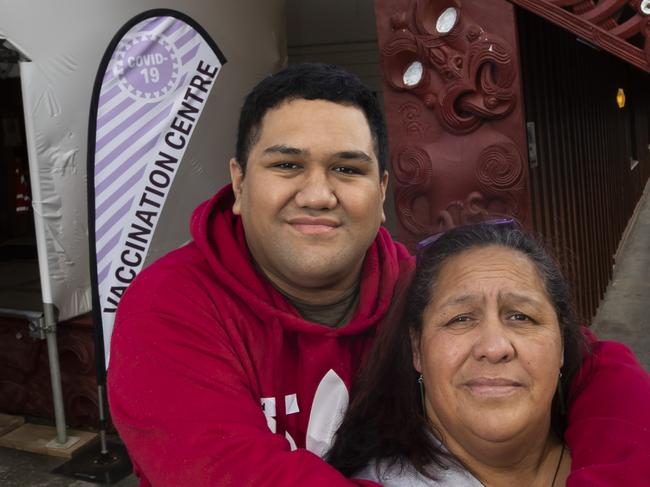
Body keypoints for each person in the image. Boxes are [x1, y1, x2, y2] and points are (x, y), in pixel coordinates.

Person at [107, 63, 650, 487]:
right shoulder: (169, 309)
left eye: (348, 168)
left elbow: (592, 368)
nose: (319, 194)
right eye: (287, 165)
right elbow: (229, 475)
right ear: (240, 182)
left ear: (383, 189)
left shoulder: (417, 288)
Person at [328, 221, 602, 485]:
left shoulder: (625, 460)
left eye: (521, 317)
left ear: (563, 345)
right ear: (417, 350)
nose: (494, 348)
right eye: (460, 319)